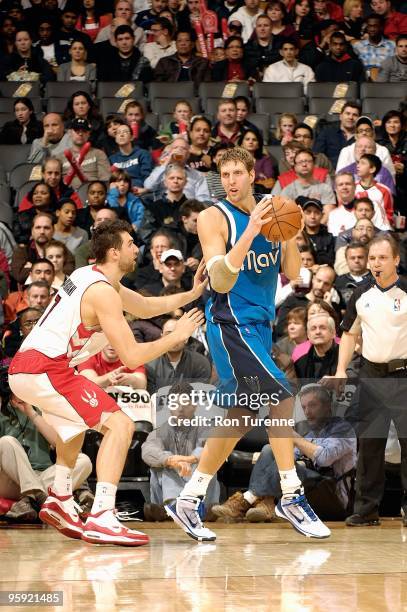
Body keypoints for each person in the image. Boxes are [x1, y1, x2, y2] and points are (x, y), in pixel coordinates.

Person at [8, 219, 209, 546]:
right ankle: (102, 515)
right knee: (120, 425)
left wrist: (192, 293)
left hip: (31, 366)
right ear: (114, 252)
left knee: (74, 426)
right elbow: (131, 357)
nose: (136, 248)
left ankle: (60, 496)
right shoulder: (102, 293)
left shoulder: (90, 277)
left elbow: (144, 306)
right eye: (131, 243)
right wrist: (177, 335)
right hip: (45, 367)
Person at [165, 147, 331, 541]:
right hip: (228, 322)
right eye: (226, 174)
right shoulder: (213, 217)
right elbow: (220, 279)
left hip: (258, 325)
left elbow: (292, 272)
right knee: (281, 395)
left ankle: (189, 500)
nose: (232, 180)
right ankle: (291, 493)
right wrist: (254, 230)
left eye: (239, 172)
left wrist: (287, 231)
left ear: (252, 174)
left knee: (240, 417)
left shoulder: (274, 211)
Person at [324, 233, 407, 526]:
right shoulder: (361, 292)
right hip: (371, 374)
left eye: (382, 258)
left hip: (403, 374)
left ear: (396, 260)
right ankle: (366, 509)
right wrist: (341, 369)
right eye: (372, 258)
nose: (376, 263)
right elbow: (349, 333)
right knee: (369, 444)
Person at [211, 384, 356, 522]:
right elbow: (291, 455)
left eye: (312, 405)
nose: (307, 412)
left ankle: (248, 499)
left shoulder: (343, 429)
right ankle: (266, 503)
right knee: (270, 449)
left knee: (284, 462)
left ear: (327, 406)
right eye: (304, 407)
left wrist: (292, 436)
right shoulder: (312, 434)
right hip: (315, 491)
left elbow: (325, 458)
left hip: (335, 498)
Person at [0, 391, 92, 522]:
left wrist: (31, 413)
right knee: (6, 441)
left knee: (83, 461)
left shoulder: (43, 410)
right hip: (10, 482)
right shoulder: (2, 411)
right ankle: (42, 498)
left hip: (44, 476)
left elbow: (58, 443)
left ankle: (31, 500)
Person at [142, 381, 219, 521]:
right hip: (167, 496)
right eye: (175, 404)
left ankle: (183, 509)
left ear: (194, 406)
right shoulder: (160, 431)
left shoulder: (206, 428)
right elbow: (147, 451)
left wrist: (188, 460)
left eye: (185, 404)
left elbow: (210, 446)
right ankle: (174, 507)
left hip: (200, 498)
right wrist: (171, 460)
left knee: (206, 461)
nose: (180, 409)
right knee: (162, 463)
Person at [145, 317, 212, 393]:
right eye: (168, 334)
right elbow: (151, 396)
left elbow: (201, 396)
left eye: (178, 334)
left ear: (186, 338)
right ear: (162, 337)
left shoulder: (200, 363)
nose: (174, 338)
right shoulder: (150, 365)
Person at [57, 118, 111, 190]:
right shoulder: (60, 157)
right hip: (68, 195)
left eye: (84, 131)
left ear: (89, 134)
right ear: (70, 133)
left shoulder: (99, 154)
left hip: (93, 194)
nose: (80, 133)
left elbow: (106, 180)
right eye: (77, 130)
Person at [78, 344, 147, 390]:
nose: (112, 345)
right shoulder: (88, 356)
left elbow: (142, 384)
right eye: (108, 339)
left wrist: (132, 379)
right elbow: (87, 383)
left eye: (116, 341)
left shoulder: (132, 357)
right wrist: (109, 377)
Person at [313, 101, 361, 167]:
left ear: (359, 119)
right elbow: (317, 154)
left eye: (355, 115)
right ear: (340, 116)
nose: (351, 117)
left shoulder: (362, 136)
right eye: (347, 113)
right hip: (329, 172)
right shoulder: (327, 131)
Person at [109, 123, 153, 190]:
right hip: (118, 192)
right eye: (118, 133)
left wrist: (144, 190)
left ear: (132, 137)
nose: (121, 135)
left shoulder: (142, 154)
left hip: (138, 191)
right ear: (115, 139)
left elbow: (147, 177)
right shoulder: (112, 159)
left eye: (125, 132)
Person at [355, 153, 393, 228]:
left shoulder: (384, 190)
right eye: (358, 163)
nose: (358, 166)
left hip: (378, 231)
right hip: (356, 230)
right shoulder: (352, 188)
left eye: (363, 163)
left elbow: (388, 214)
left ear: (372, 169)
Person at [352, 14, 395, 80]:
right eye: (369, 26)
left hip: (387, 81)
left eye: (375, 26)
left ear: (381, 27)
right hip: (365, 82)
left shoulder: (392, 45)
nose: (372, 29)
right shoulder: (358, 45)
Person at [244, 14, 280, 81]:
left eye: (266, 25)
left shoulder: (281, 44)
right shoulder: (247, 47)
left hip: (276, 82)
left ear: (272, 27)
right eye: (259, 26)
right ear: (256, 28)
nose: (262, 29)